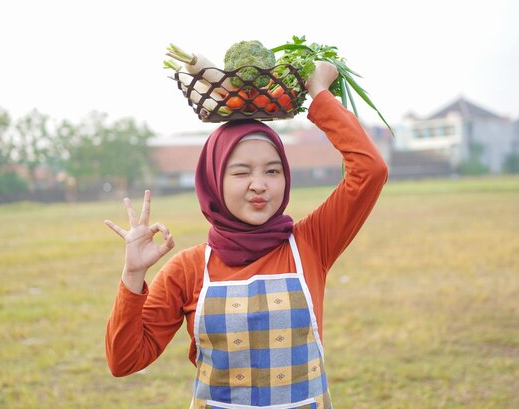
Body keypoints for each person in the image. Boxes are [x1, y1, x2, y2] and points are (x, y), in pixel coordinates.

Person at [104, 61, 389, 409]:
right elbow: (125, 361)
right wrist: (133, 275)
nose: (260, 185)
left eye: (273, 170)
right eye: (241, 172)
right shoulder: (187, 270)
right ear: (213, 181)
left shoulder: (312, 243)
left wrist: (319, 95)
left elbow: (370, 170)